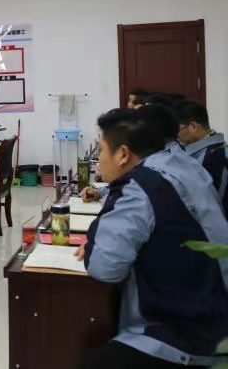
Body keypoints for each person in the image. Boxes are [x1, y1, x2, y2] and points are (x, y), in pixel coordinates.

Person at [75, 106, 228, 368]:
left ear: (123, 154)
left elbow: (105, 267)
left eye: (100, 151)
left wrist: (92, 244)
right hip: (212, 312)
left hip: (189, 336)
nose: (98, 162)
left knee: (87, 358)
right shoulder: (179, 165)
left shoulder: (138, 186)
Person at [175, 99, 227, 208]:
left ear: (193, 127)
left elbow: (213, 207)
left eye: (176, 130)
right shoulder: (211, 151)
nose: (176, 136)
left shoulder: (213, 158)